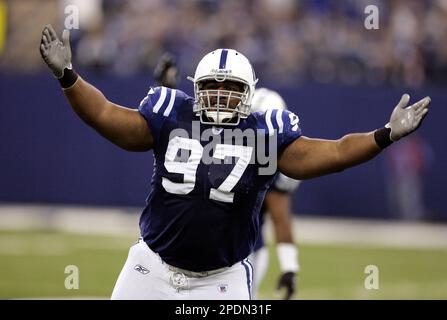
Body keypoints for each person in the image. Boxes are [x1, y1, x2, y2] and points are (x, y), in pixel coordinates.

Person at [39, 25, 431, 300]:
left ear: (249, 94)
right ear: (196, 89)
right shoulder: (172, 112)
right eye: (212, 85)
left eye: (231, 87)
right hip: (152, 267)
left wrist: (384, 135)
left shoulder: (266, 132)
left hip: (220, 280)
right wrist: (68, 76)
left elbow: (335, 152)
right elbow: (106, 115)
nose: (221, 94)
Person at [154, 57, 301, 300]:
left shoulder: (270, 156)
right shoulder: (219, 135)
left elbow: (280, 215)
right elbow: (183, 134)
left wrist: (290, 266)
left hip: (240, 254)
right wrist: (166, 91)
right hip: (195, 249)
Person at [249, 88, 301, 300]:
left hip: (245, 253)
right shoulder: (216, 144)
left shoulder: (276, 164)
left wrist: (290, 267)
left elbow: (280, 218)